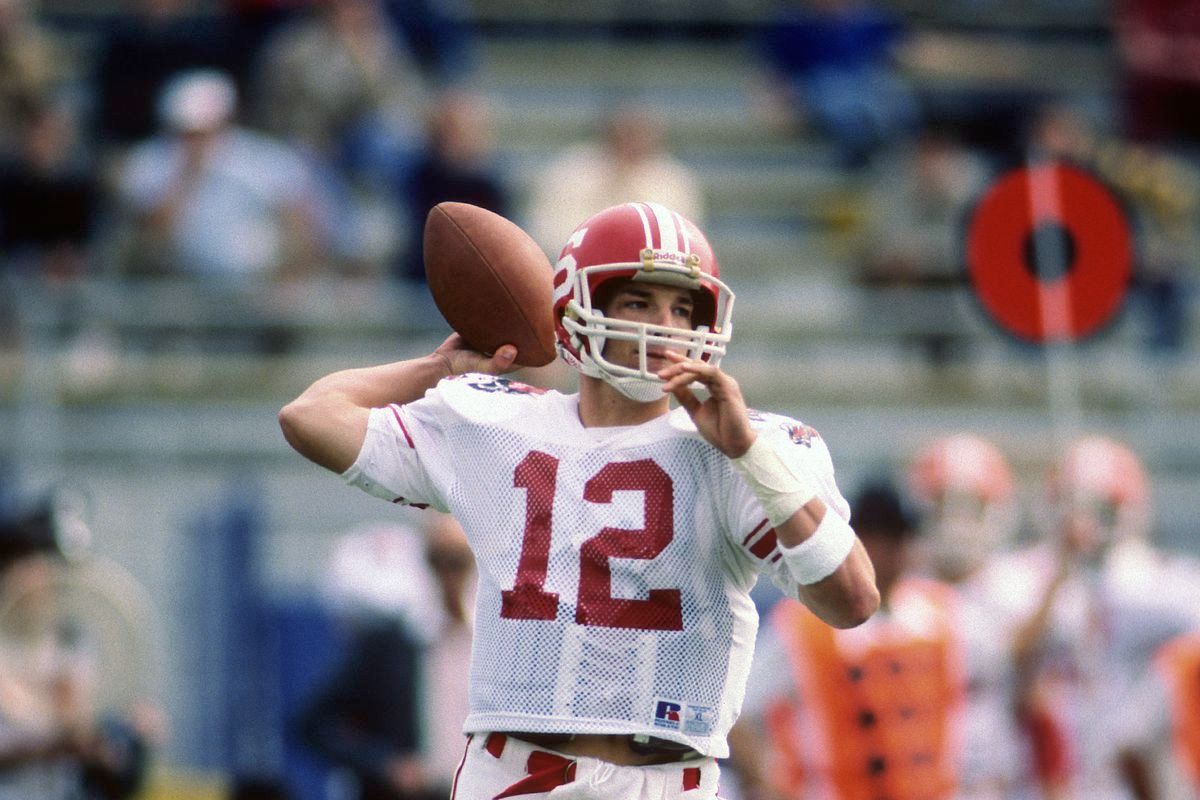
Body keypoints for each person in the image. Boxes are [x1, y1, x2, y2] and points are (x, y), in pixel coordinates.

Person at [278, 201, 879, 798]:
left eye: (681, 307)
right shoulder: (493, 420)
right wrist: (436, 368)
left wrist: (750, 453)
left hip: (669, 780)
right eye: (638, 302)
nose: (663, 326)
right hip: (518, 774)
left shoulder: (746, 447)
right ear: (577, 309)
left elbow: (852, 600)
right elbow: (311, 417)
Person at [728, 480, 962, 800]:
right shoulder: (803, 625)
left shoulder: (940, 614)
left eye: (899, 540)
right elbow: (738, 709)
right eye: (880, 539)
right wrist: (769, 784)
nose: (892, 553)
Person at [1011, 435, 1200, 799]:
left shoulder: (1145, 579)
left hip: (1118, 773)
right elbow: (1015, 655)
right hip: (1042, 773)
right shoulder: (1027, 574)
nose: (1086, 522)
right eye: (1076, 507)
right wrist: (1061, 573)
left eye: (1101, 509)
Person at [296, 513, 476, 799]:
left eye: (458, 561)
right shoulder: (392, 643)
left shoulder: (493, 643)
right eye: (438, 560)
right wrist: (385, 764)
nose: (448, 574)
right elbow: (312, 724)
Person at [525, 106, 706, 257]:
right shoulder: (569, 173)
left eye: (640, 135)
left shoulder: (673, 181)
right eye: (626, 134)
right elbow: (549, 235)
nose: (632, 143)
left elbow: (684, 243)